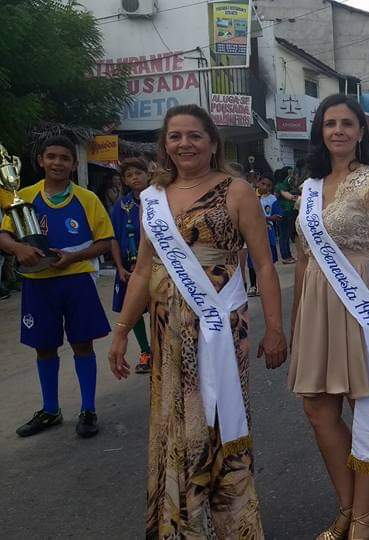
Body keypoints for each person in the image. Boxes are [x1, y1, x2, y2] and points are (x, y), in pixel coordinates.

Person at [107, 104, 287, 537]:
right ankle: (182, 524)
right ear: (164, 145)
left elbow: (264, 265)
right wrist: (121, 332)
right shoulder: (153, 198)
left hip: (220, 323)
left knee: (220, 419)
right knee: (175, 422)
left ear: (212, 142)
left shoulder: (236, 190)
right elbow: (144, 270)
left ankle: (234, 524)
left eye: (194, 135)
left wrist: (276, 329)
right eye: (175, 136)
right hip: (167, 328)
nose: (184, 143)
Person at [288, 93, 369, 540]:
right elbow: (303, 258)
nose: (338, 130)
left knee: (367, 408)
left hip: (363, 303)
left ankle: (363, 515)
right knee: (317, 409)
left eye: (347, 123)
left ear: (361, 132)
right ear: (319, 131)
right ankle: (346, 504)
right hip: (317, 305)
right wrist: (296, 319)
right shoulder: (309, 188)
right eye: (330, 123)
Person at [0, 135, 114, 438]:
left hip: (77, 281)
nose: (57, 163)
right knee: (44, 346)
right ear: (41, 160)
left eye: (64, 158)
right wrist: (18, 249)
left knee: (83, 343)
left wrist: (75, 256)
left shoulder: (87, 198)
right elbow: (4, 235)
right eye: (51, 156)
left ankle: (88, 409)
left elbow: (105, 242)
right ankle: (50, 409)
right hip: (38, 284)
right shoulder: (22, 196)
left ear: (74, 164)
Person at [109, 157, 153, 374]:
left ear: (148, 174)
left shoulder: (158, 199)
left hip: (156, 267)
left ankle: (162, 349)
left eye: (138, 173)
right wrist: (119, 267)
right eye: (129, 175)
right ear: (124, 181)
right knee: (133, 311)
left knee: (158, 309)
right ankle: (146, 351)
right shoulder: (121, 206)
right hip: (129, 267)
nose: (135, 178)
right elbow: (114, 238)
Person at [246, 175, 282, 297]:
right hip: (253, 233)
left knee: (268, 261)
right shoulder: (250, 196)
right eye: (263, 184)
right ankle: (253, 285)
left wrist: (265, 218)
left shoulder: (272, 199)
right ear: (258, 183)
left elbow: (278, 216)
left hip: (268, 232)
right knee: (252, 261)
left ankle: (264, 285)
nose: (265, 187)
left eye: (268, 185)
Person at [275, 166, 299, 264]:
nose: (291, 176)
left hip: (289, 213)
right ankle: (286, 257)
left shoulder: (289, 185)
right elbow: (288, 196)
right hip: (284, 213)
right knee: (284, 235)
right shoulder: (280, 186)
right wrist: (298, 197)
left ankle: (288, 255)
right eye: (290, 173)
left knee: (287, 235)